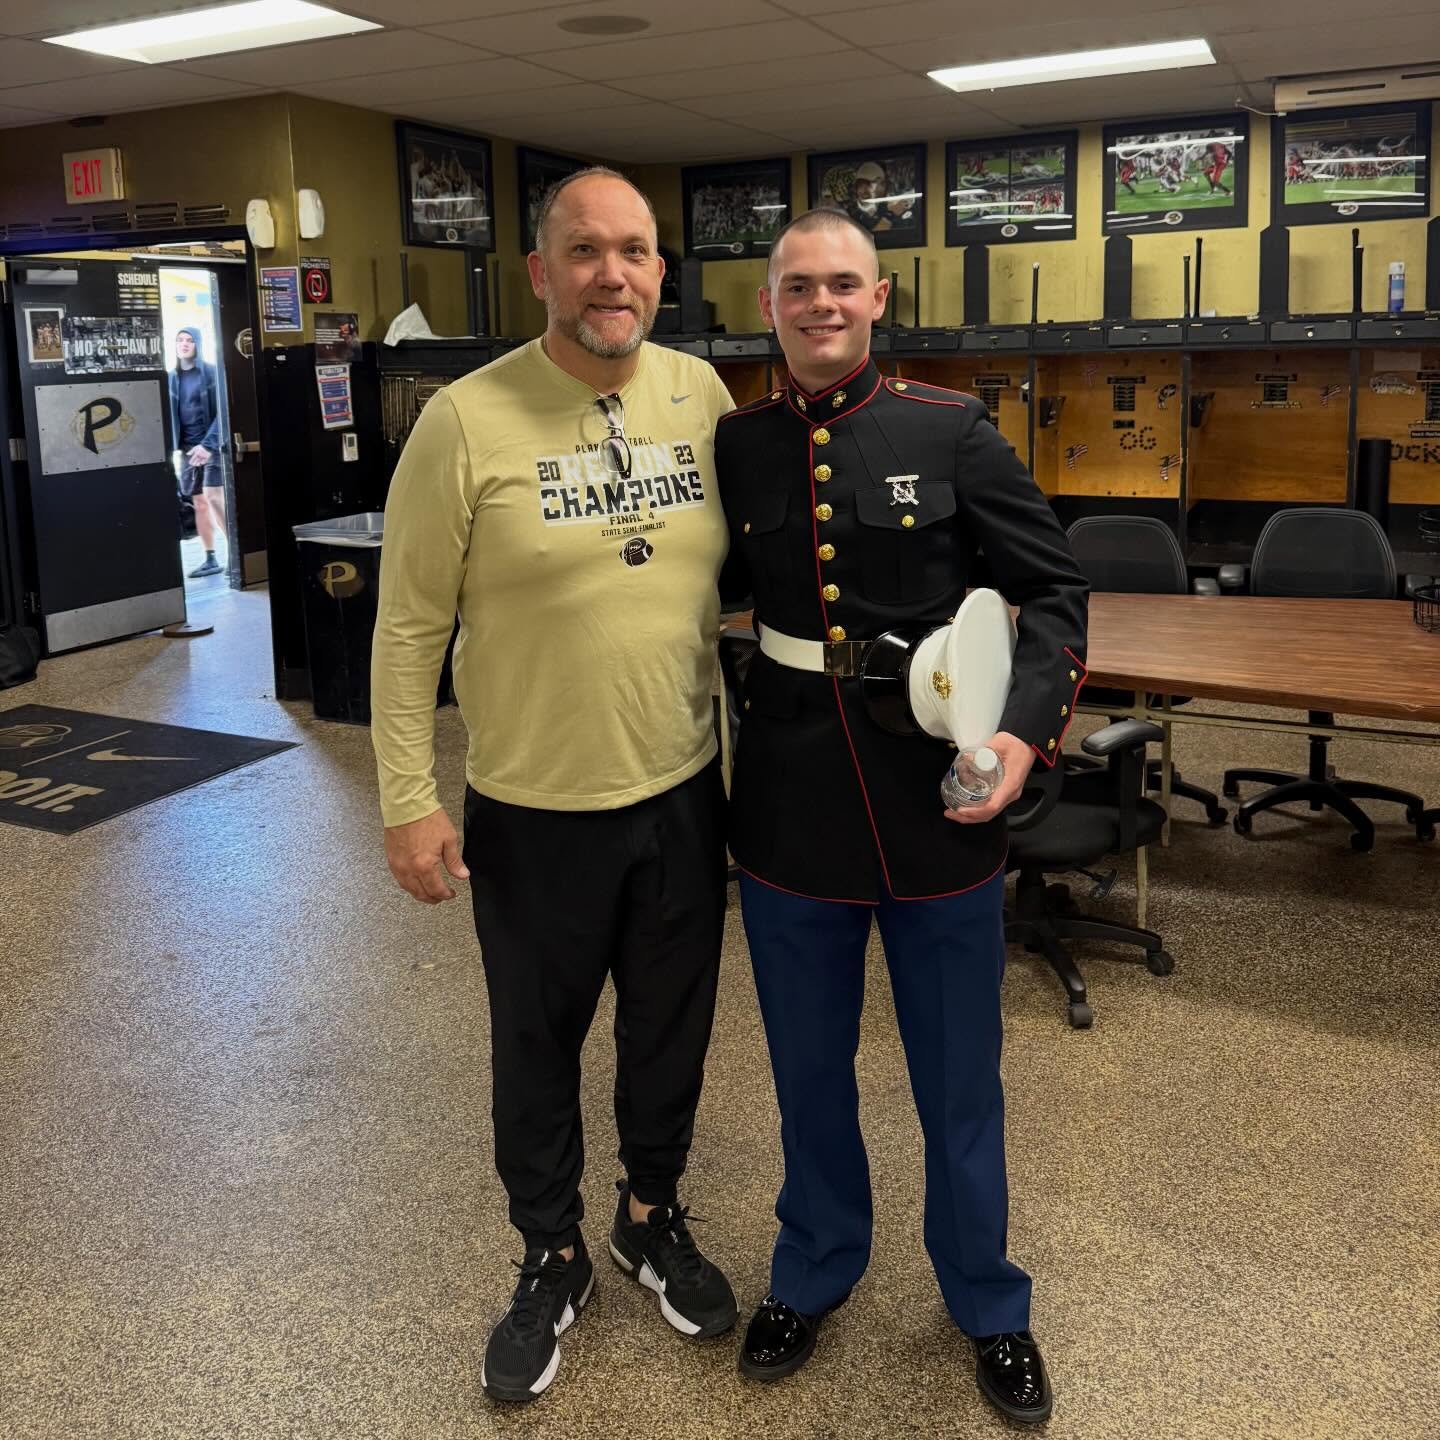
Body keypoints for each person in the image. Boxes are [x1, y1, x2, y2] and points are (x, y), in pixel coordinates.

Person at [370, 167, 740, 1406]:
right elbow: (407, 625)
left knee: (671, 1029)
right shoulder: (463, 420)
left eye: (634, 251)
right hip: (532, 807)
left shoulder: (701, 395)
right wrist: (408, 796)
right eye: (585, 251)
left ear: (660, 270)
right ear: (540, 272)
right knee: (536, 1045)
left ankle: (649, 1214)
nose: (613, 275)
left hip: (684, 788)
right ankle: (552, 1250)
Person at [715, 207, 1088, 1426]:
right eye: (796, 288)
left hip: (940, 809)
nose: (820, 305)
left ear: (881, 300)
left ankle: (987, 1298)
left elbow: (1054, 592)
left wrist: (1023, 739)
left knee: (957, 1080)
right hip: (787, 808)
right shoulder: (741, 443)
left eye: (843, 286)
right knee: (808, 1072)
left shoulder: (950, 430)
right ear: (768, 306)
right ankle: (814, 1269)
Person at [168, 327, 226, 578]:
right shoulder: (171, 377)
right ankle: (210, 558)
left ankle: (236, 553)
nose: (184, 344)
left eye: (189, 340)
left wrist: (208, 445)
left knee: (214, 497)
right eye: (180, 340)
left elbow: (223, 413)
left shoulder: (212, 373)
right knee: (200, 504)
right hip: (189, 450)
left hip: (212, 446)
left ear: (198, 344)